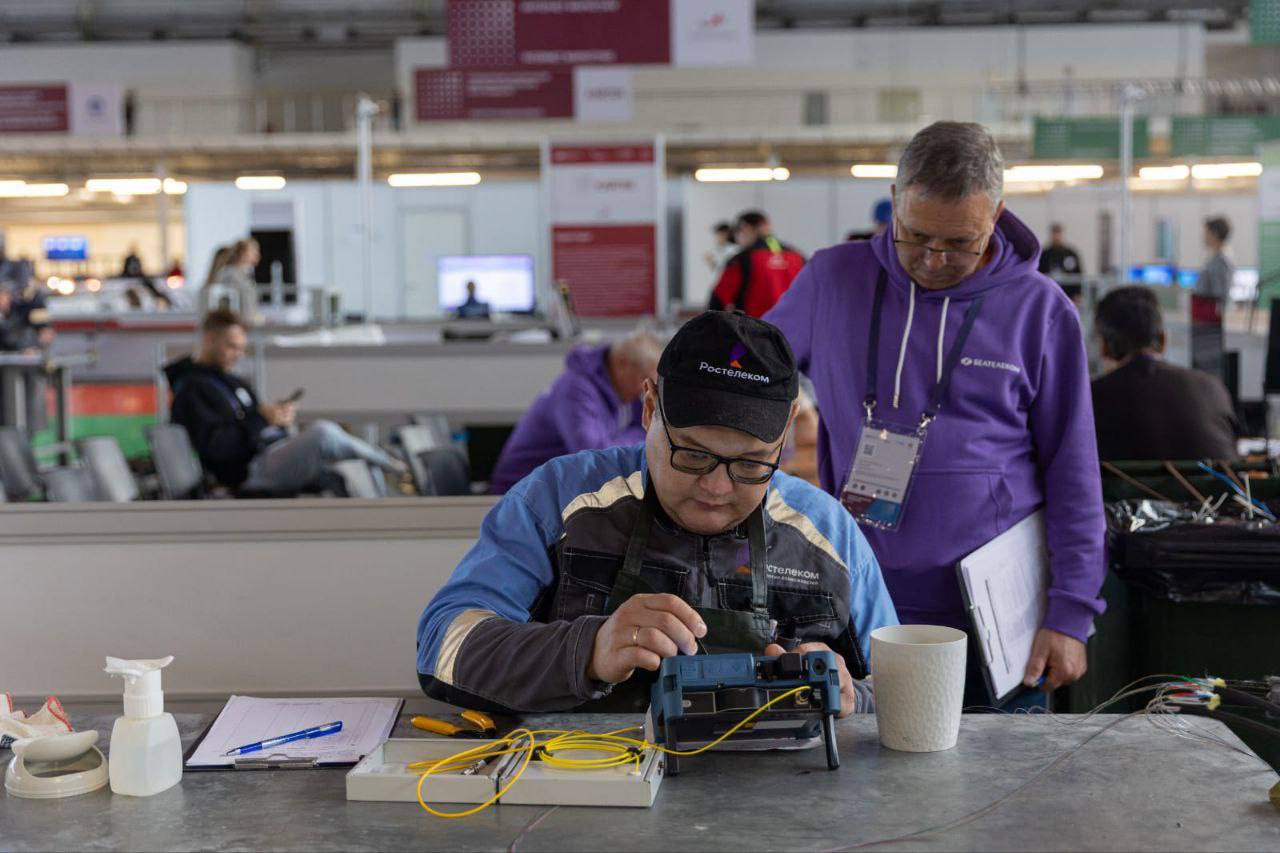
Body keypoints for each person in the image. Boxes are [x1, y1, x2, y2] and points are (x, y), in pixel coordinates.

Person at [766, 121, 1105, 707]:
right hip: (858, 602)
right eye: (916, 235)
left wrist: (1072, 614)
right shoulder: (832, 279)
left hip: (998, 620)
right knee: (863, 790)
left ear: (995, 216)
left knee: (1003, 789)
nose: (933, 258)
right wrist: (698, 367)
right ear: (894, 203)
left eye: (960, 243)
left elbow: (1074, 474)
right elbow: (751, 365)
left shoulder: (1042, 312)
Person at [417, 311, 898, 714]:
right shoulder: (558, 500)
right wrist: (587, 651)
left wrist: (859, 698)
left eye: (750, 464)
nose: (715, 486)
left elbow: (905, 690)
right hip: (589, 795)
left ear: (788, 428)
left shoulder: (830, 535)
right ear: (650, 409)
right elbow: (444, 645)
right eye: (690, 454)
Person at [165, 310, 405, 494]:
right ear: (209, 340)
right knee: (322, 433)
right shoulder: (192, 389)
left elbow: (250, 422)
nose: (238, 354)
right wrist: (262, 419)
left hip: (271, 451)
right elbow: (218, 446)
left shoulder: (233, 382)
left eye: (241, 348)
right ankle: (393, 466)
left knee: (351, 466)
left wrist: (277, 419)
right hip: (248, 470)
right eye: (231, 347)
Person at [488, 330, 661, 494]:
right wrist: (642, 432)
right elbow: (594, 460)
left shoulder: (618, 392)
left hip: (552, 492)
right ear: (622, 364)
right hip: (517, 497)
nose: (644, 390)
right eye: (643, 379)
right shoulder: (576, 390)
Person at [1091, 287, 1239, 461]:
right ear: (1163, 340)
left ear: (1105, 348)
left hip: (1133, 488)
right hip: (1216, 489)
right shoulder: (1212, 387)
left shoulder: (1090, 400)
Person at [709, 211, 805, 318]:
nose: (737, 240)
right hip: (793, 329)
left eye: (737, 233)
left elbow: (718, 298)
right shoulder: (798, 257)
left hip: (754, 330)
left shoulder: (742, 259)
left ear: (746, 228)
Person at [201, 239, 261, 324]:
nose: (257, 255)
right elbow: (225, 306)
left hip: (245, 324)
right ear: (242, 253)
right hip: (233, 326)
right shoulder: (229, 275)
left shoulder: (245, 275)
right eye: (253, 251)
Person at [1038, 223, 1083, 299]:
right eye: (1054, 233)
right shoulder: (1044, 255)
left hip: (1068, 294)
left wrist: (1078, 293)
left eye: (1058, 233)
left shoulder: (1071, 254)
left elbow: (1078, 274)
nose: (1056, 237)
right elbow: (1039, 273)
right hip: (1049, 294)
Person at [1197, 217, 1234, 308]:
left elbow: (1220, 296)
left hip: (1210, 316)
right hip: (1205, 312)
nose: (1203, 236)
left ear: (1215, 234)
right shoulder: (1214, 259)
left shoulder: (1220, 262)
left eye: (1206, 233)